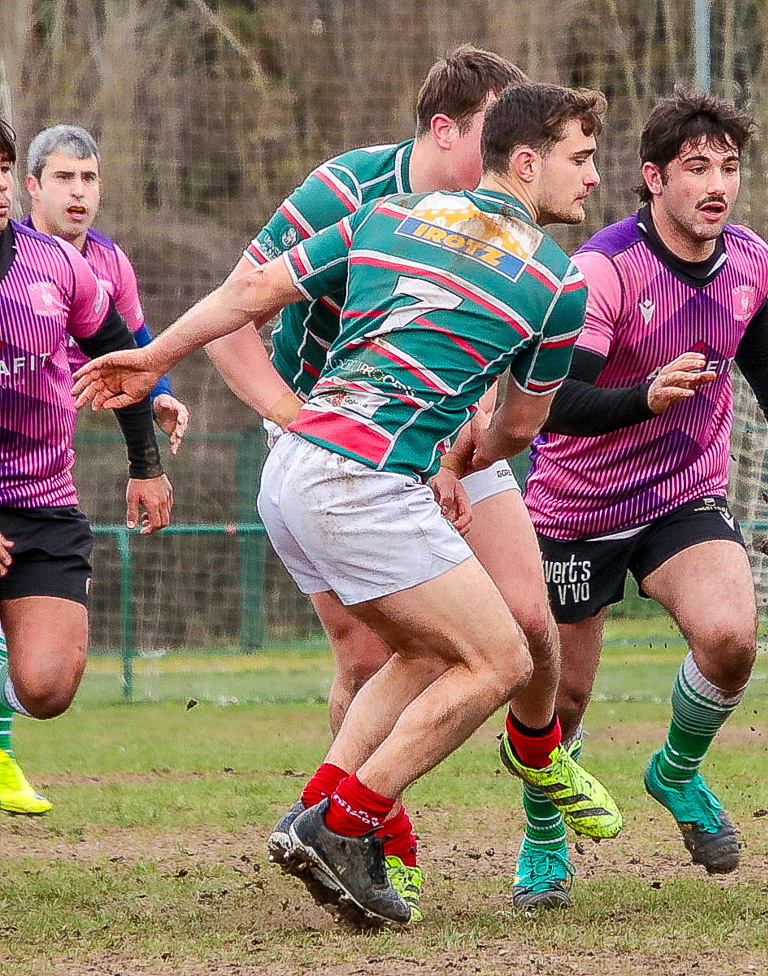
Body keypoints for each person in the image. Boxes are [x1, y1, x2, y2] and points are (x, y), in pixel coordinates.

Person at [75, 82, 610, 929]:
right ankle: (350, 824)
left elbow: (248, 294)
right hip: (366, 483)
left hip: (294, 473)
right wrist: (466, 452)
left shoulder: (386, 216)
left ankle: (313, 811)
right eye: (581, 158)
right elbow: (519, 426)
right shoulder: (555, 282)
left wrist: (151, 358)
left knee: (422, 652)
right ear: (528, 161)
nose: (592, 178)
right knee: (502, 660)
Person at [517, 88, 768, 906]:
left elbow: (749, 318)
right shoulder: (603, 270)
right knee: (565, 697)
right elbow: (554, 401)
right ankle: (546, 836)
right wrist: (645, 397)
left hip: (682, 497)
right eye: (696, 168)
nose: (716, 184)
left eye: (728, 167)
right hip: (576, 507)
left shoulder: (751, 256)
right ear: (653, 179)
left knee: (730, 639)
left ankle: (676, 771)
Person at [0, 115, 172, 816]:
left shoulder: (59, 265)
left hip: (42, 501)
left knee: (48, 687)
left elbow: (121, 354)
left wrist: (146, 464)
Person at [24, 124, 191, 452]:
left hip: (56, 438)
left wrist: (160, 396)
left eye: (88, 178)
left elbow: (138, 346)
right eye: (64, 177)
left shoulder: (112, 264)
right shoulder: (11, 255)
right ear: (33, 185)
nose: (78, 191)